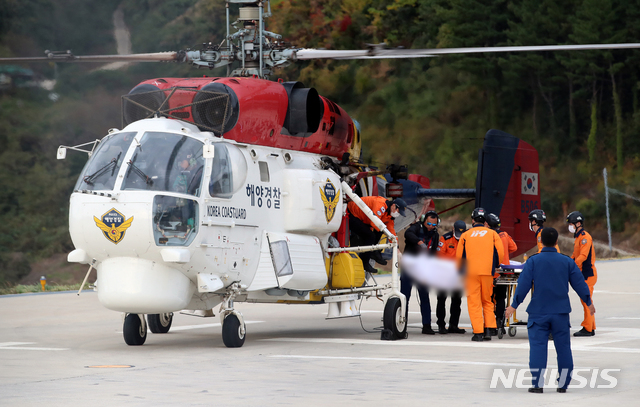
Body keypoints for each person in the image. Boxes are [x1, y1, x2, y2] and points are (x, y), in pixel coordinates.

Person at [505, 227, 595, 393]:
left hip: (538, 312)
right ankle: (563, 384)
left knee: (538, 347)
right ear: (557, 242)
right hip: (560, 313)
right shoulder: (567, 261)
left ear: (541, 241)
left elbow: (523, 285)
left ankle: (537, 384)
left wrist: (514, 305)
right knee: (563, 348)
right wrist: (588, 302)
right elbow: (580, 283)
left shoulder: (533, 261)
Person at [456, 208, 504, 342]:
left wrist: (459, 270)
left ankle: (478, 332)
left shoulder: (466, 235)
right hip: (487, 272)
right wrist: (496, 265)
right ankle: (489, 329)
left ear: (472, 220)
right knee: (487, 300)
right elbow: (500, 252)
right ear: (485, 221)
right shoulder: (492, 234)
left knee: (474, 302)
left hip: (471, 273)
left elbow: (459, 256)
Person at [402, 211, 440, 334]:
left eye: (434, 224)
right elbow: (408, 234)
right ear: (424, 221)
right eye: (429, 223)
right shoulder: (416, 228)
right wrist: (419, 242)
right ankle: (402, 323)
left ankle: (427, 325)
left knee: (424, 297)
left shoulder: (435, 235)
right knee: (404, 297)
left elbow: (433, 253)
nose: (431, 226)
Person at [347, 196, 407, 273]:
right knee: (370, 236)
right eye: (398, 212)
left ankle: (374, 251)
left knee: (380, 231)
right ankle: (364, 262)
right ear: (394, 205)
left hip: (363, 218)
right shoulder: (381, 205)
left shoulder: (389, 215)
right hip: (352, 213)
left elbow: (391, 231)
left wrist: (397, 249)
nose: (398, 214)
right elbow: (374, 222)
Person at [567, 211, 597, 337]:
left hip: (587, 274)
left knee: (586, 301)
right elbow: (575, 255)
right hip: (582, 274)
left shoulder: (585, 237)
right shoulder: (578, 237)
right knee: (586, 299)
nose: (570, 226)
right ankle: (592, 326)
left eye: (571, 224)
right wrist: (568, 262)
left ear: (578, 223)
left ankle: (588, 329)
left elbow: (583, 256)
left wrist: (573, 266)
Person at [486, 213, 517, 335]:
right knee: (501, 298)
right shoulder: (504, 234)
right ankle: (501, 324)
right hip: (504, 273)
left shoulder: (488, 235)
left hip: (491, 272)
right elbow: (514, 247)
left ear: (487, 224)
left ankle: (491, 324)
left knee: (490, 299)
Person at [435, 220, 468, 334]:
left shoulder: (467, 239)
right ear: (453, 229)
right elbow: (440, 256)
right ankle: (441, 325)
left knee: (456, 301)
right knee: (441, 300)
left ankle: (454, 325)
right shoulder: (445, 239)